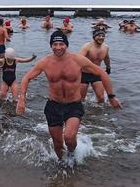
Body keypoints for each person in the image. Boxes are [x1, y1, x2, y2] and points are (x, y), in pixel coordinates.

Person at [16, 30, 122, 160]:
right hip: (53, 106)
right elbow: (26, 78)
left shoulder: (78, 60)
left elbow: (102, 73)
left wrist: (111, 97)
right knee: (58, 144)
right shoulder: (45, 62)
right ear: (51, 45)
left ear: (66, 45)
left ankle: (72, 156)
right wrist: (22, 100)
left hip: (73, 105)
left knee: (69, 138)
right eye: (55, 44)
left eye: (61, 44)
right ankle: (61, 163)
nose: (58, 47)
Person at [78, 29, 111, 103]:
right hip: (84, 74)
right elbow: (78, 59)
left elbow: (107, 58)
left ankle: (99, 113)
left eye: (103, 36)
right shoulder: (87, 46)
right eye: (99, 36)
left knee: (101, 98)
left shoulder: (105, 47)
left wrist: (108, 67)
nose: (101, 37)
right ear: (94, 37)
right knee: (81, 99)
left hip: (96, 73)